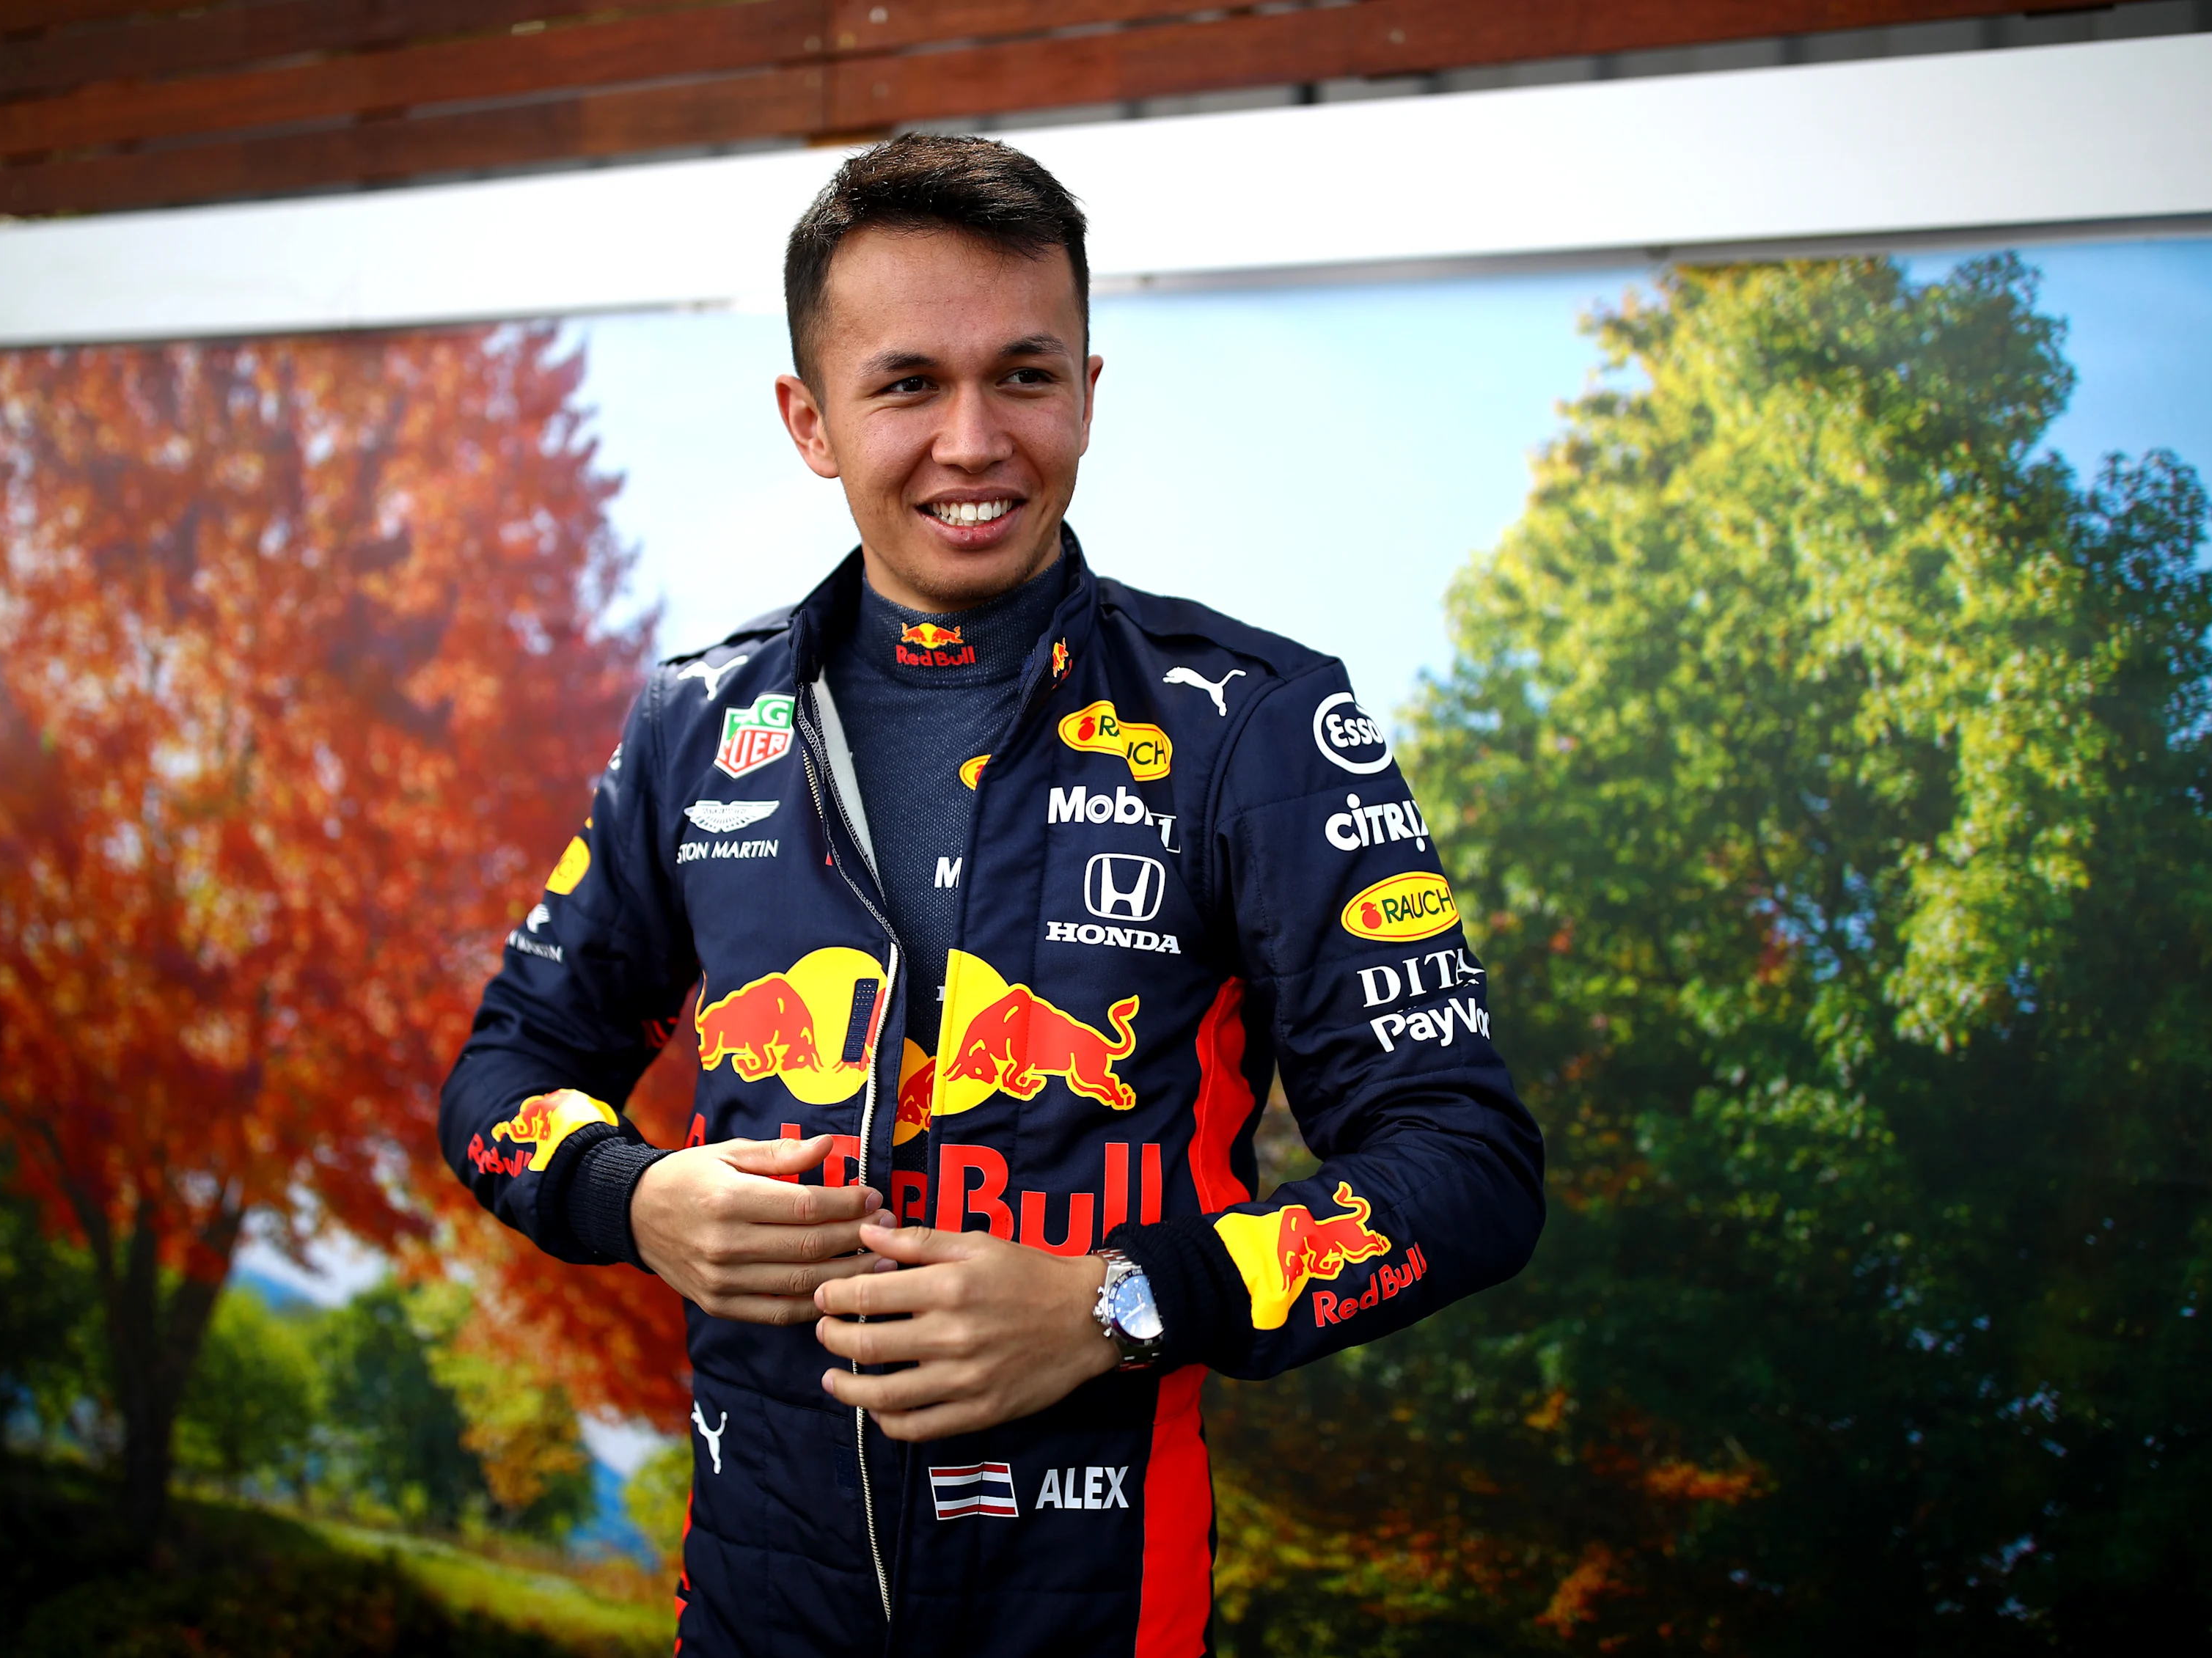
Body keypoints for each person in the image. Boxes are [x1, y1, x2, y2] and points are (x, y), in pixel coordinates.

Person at [439, 133, 1544, 1658]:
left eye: (1023, 376)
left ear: (1087, 388)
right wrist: (630, 1195)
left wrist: (1119, 1303)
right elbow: (504, 1075)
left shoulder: (1256, 723)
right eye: (906, 385)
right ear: (809, 419)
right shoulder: (696, 723)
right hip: (754, 1608)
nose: (975, 440)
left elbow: (1468, 1166)